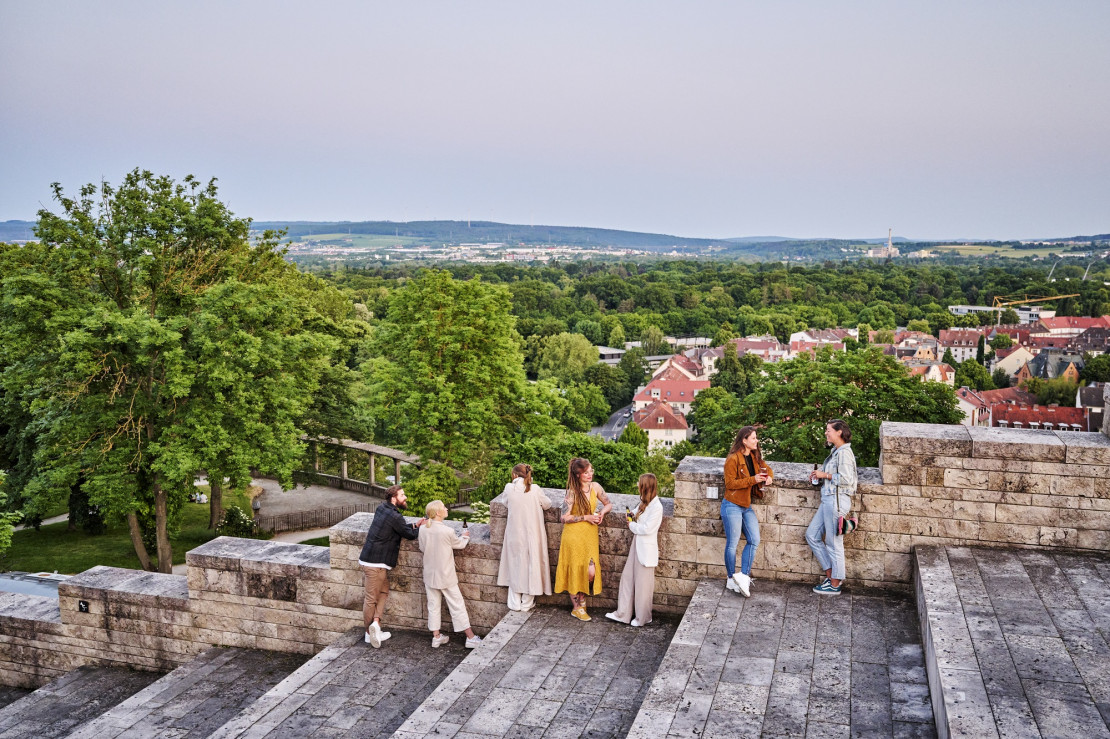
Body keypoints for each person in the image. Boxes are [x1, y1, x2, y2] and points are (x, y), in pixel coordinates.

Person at [357, 485, 425, 648]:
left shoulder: (382, 508)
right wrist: (419, 528)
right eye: (402, 495)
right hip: (376, 564)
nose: (405, 497)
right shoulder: (395, 516)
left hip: (373, 560)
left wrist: (415, 525)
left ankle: (375, 625)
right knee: (371, 598)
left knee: (383, 591)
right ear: (394, 498)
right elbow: (407, 534)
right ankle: (368, 633)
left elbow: (400, 529)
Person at [418, 500, 482, 649]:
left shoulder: (422, 529)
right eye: (444, 508)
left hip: (429, 574)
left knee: (433, 606)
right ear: (438, 513)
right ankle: (470, 637)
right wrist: (465, 536)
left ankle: (436, 637)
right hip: (445, 575)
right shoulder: (447, 531)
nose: (447, 509)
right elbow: (459, 544)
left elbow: (422, 548)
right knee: (457, 606)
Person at [554, 457, 612, 621]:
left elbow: (608, 504)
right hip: (573, 536)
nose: (590, 474)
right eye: (586, 472)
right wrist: (586, 517)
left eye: (591, 471)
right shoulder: (572, 492)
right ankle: (577, 607)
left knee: (590, 572)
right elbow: (563, 517)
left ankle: (581, 600)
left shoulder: (596, 487)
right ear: (578, 474)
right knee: (574, 570)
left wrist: (602, 513)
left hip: (589, 537)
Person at [806, 419, 858, 596]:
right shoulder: (836, 452)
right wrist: (818, 477)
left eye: (829, 430)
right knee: (812, 535)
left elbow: (845, 479)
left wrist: (825, 474)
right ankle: (831, 574)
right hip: (828, 499)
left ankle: (835, 584)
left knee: (834, 543)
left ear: (839, 432)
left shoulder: (844, 453)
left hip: (836, 501)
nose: (826, 433)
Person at [607, 473, 663, 627]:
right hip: (636, 546)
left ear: (645, 486)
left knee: (643, 585)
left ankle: (643, 617)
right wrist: (631, 515)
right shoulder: (643, 502)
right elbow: (635, 512)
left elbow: (647, 529)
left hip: (645, 549)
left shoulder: (657, 507)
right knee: (627, 578)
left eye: (639, 482)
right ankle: (623, 614)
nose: (637, 484)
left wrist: (631, 525)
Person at [722, 426, 772, 597]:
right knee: (732, 543)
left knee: (754, 539)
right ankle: (730, 578)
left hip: (746, 505)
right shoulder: (732, 459)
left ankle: (743, 576)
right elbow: (730, 484)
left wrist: (769, 477)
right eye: (753, 438)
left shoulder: (754, 456)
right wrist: (753, 479)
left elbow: (766, 468)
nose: (756, 441)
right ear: (744, 440)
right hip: (732, 504)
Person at [497, 463, 553, 612]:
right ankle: (527, 602)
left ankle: (514, 603)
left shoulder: (509, 488)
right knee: (532, 564)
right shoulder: (535, 489)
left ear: (514, 475)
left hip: (515, 532)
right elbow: (547, 504)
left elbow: (505, 502)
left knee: (515, 565)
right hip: (533, 532)